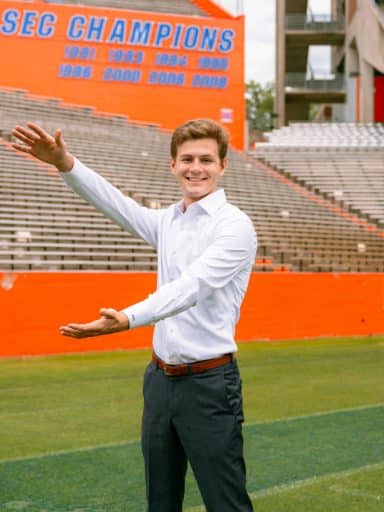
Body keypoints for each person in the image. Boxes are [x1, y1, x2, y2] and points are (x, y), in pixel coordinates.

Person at [12, 118, 257, 512]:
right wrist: (65, 162)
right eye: (188, 159)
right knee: (159, 501)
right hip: (160, 382)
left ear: (223, 166)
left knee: (225, 502)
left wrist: (127, 318)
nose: (197, 167)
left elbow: (190, 288)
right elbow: (117, 204)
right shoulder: (168, 222)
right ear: (172, 165)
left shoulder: (235, 227)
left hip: (210, 384)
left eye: (207, 160)